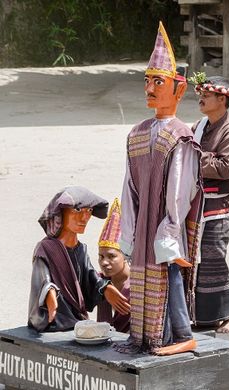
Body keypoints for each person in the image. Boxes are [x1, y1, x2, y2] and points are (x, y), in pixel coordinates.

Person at [117, 22, 203, 356]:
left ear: (179, 91)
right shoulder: (137, 134)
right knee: (142, 273)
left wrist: (168, 229)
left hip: (164, 225)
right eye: (147, 81)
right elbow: (129, 187)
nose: (149, 89)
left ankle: (177, 336)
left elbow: (181, 190)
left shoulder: (180, 136)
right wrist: (131, 228)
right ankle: (142, 336)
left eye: (158, 82)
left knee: (168, 273)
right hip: (142, 223)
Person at [189, 72, 229, 333]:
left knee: (215, 259)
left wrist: (193, 158)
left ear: (223, 100)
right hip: (196, 205)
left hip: (218, 207)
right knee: (196, 261)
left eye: (208, 94)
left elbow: (225, 168)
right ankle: (203, 317)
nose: (201, 97)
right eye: (201, 93)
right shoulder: (199, 126)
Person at [28, 187, 129, 332]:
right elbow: (42, 277)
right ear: (60, 214)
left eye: (88, 211)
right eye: (77, 211)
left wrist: (105, 288)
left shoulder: (81, 249)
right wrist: (49, 293)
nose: (84, 218)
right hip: (53, 320)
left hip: (77, 320)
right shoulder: (46, 248)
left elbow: (90, 276)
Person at [95, 198, 131, 333]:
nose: (104, 262)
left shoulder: (138, 285)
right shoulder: (99, 281)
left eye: (111, 256)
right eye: (101, 257)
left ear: (125, 256)